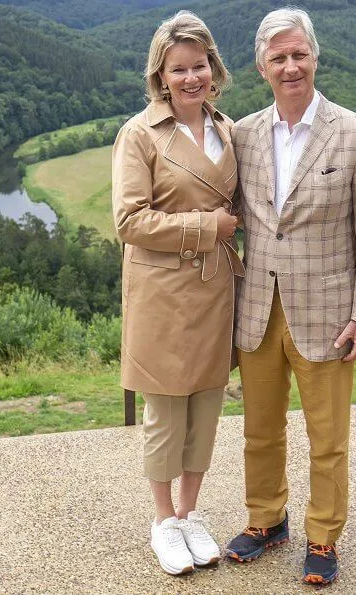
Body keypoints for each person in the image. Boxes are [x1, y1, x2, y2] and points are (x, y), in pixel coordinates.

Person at [226, 7, 356, 585]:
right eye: (279, 58)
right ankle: (266, 520)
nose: (290, 66)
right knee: (259, 430)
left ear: (315, 57)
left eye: (299, 54)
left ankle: (323, 535)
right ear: (261, 67)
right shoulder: (241, 134)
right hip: (256, 310)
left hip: (328, 314)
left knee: (328, 438)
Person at [111, 10, 243, 577]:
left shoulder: (229, 129)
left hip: (215, 289)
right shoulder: (139, 134)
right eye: (178, 69)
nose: (191, 77)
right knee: (165, 410)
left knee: (206, 406)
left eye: (200, 65)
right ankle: (163, 522)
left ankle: (190, 514)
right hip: (163, 291)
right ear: (160, 76)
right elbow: (129, 221)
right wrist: (206, 227)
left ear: (214, 68)